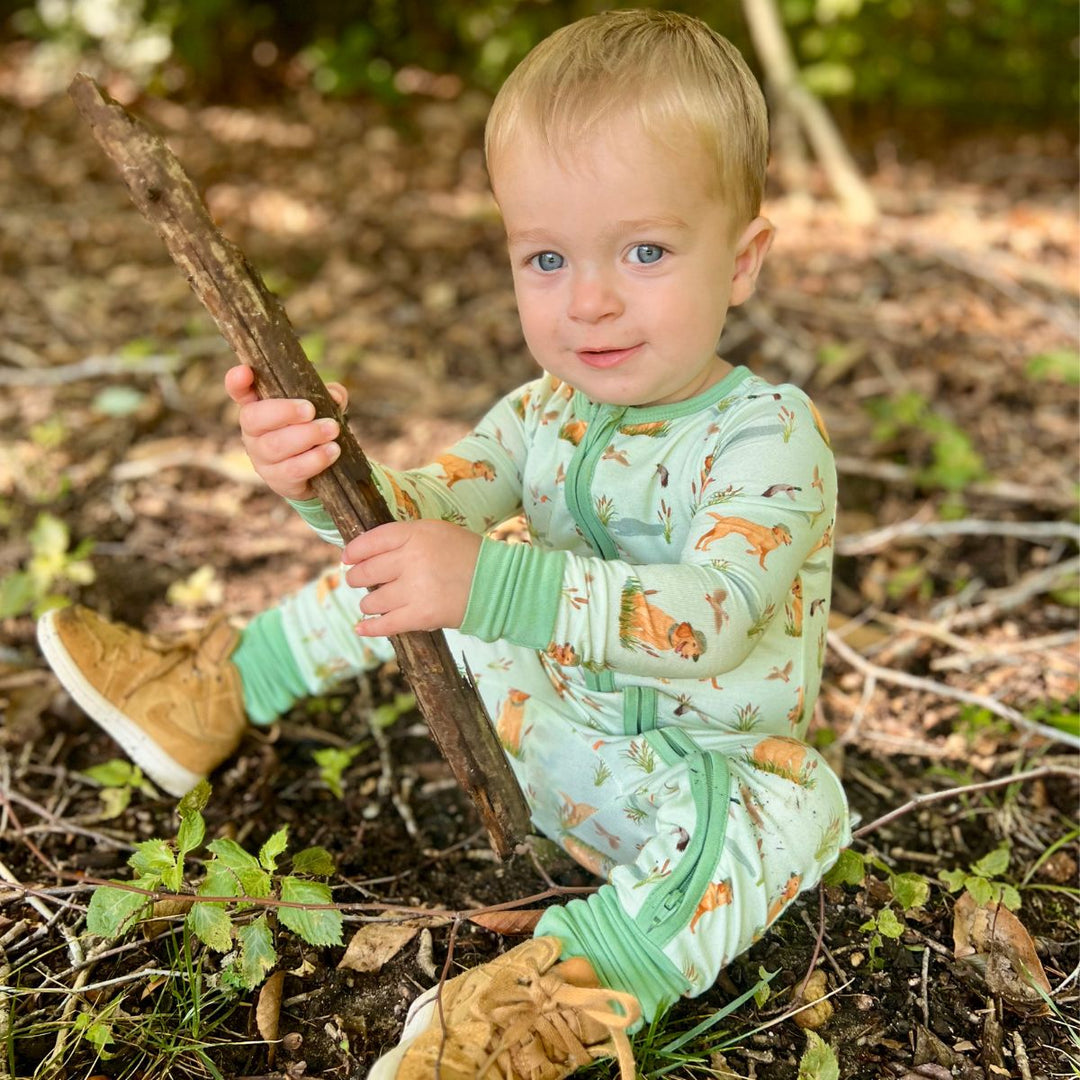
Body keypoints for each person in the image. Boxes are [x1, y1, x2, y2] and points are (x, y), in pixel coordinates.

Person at [38, 10, 850, 1079]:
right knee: (416, 553)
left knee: (796, 808)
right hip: (554, 738)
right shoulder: (542, 411)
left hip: (697, 787)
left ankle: (563, 992)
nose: (590, 300)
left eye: (646, 250)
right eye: (547, 257)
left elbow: (709, 617)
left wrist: (487, 581)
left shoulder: (768, 437)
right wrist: (317, 470)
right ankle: (217, 692)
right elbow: (420, 506)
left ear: (742, 261)